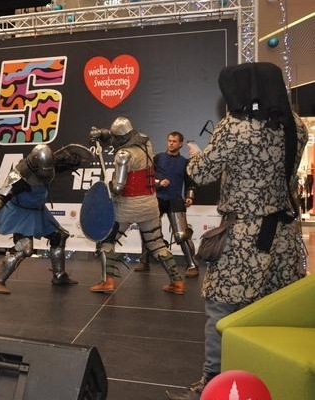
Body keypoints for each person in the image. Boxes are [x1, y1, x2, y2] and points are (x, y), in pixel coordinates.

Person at [165, 62, 308, 400]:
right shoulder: (296, 125)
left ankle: (213, 385)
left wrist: (197, 155)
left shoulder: (235, 127)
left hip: (245, 235)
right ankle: (266, 379)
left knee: (221, 309)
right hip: (285, 237)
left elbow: (200, 173)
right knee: (270, 312)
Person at [88, 117, 185, 295]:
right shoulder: (146, 142)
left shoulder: (123, 155)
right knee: (157, 244)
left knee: (106, 242)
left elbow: (119, 187)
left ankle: (108, 281)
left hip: (127, 208)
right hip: (150, 205)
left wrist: (108, 186)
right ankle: (177, 282)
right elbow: (120, 135)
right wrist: (101, 134)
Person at [0, 143, 93, 295]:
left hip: (37, 210)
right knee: (24, 248)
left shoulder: (49, 164)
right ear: (35, 165)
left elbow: (67, 163)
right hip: (20, 213)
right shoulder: (19, 174)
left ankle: (59, 276)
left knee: (59, 236)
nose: (45, 173)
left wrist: (76, 160)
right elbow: (2, 196)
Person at [138, 131, 199, 278]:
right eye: (169, 141)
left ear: (180, 144)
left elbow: (191, 183)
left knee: (182, 234)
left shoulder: (185, 162)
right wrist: (159, 183)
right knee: (148, 230)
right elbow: (146, 177)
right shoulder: (157, 158)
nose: (171, 143)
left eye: (174, 141)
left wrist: (189, 196)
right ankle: (144, 261)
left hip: (175, 200)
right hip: (156, 199)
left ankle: (192, 265)